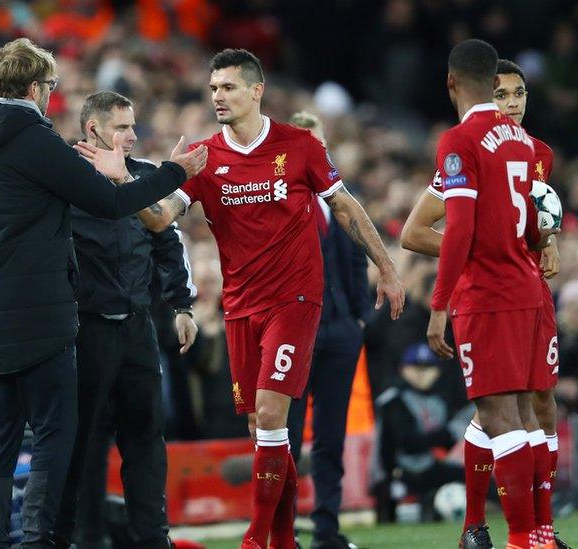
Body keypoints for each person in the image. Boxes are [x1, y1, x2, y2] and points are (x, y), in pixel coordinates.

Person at [80, 48, 404, 549]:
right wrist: (125, 179)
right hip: (240, 308)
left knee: (273, 416)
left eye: (228, 87)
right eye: (212, 89)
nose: (217, 97)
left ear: (257, 91)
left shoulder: (299, 146)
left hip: (295, 299)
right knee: (262, 430)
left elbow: (345, 208)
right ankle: (285, 540)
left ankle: (256, 539)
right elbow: (161, 218)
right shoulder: (207, 158)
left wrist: (386, 268)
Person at [0, 38, 206, 548]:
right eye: (50, 86)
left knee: (1, 437)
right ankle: (38, 542)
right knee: (57, 435)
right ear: (35, 88)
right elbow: (108, 200)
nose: (51, 96)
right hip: (48, 318)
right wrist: (174, 173)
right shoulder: (36, 141)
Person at [400, 58, 566, 549]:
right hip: (498, 290)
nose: (511, 103)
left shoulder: (539, 153)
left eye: (519, 95)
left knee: (536, 406)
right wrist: (482, 247)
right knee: (502, 412)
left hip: (526, 292)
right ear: (487, 91)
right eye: (503, 93)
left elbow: (531, 224)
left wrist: (545, 240)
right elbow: (418, 231)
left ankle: (538, 531)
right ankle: (488, 525)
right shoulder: (475, 145)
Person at [53, 91, 198, 549]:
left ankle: (153, 539)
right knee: (85, 444)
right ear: (93, 130)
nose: (133, 135)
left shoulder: (146, 176)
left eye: (133, 125)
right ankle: (85, 539)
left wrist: (181, 305)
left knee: (145, 438)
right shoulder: (65, 179)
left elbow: (167, 242)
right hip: (85, 329)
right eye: (122, 127)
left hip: (137, 326)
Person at [283, 111, 368, 549]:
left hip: (339, 331)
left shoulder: (340, 199)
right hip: (295, 333)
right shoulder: (281, 198)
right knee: (289, 438)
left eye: (320, 143)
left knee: (331, 438)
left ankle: (327, 531)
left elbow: (355, 261)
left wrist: (357, 320)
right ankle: (286, 531)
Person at [375, 343, 469, 519]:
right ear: (403, 369)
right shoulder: (393, 400)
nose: (421, 374)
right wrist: (445, 435)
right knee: (390, 514)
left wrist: (449, 436)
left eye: (427, 367)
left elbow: (446, 442)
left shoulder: (438, 399)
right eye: (416, 367)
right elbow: (406, 444)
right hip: (396, 470)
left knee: (471, 475)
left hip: (427, 464)